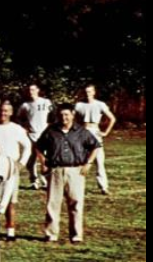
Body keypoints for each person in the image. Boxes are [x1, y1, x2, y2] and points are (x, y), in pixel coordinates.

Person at [34, 103, 102, 245]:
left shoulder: (81, 131)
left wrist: (88, 164)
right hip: (56, 170)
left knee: (76, 203)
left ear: (72, 114)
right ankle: (51, 234)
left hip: (75, 171)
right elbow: (38, 146)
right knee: (53, 203)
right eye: (61, 114)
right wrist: (43, 162)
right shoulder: (51, 131)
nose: (63, 117)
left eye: (66, 114)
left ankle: (76, 235)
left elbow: (95, 146)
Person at [0, 100, 32, 240]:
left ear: (11, 112)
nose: (3, 113)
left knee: (11, 201)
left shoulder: (16, 129)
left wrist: (21, 164)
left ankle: (10, 231)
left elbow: (28, 147)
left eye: (6, 111)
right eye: (1, 110)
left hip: (11, 170)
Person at [74, 84, 115, 195]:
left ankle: (104, 187)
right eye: (86, 92)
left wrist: (105, 132)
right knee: (81, 160)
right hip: (83, 132)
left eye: (90, 91)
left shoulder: (100, 104)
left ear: (94, 92)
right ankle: (76, 186)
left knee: (99, 161)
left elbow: (112, 118)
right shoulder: (79, 105)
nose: (88, 94)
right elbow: (71, 117)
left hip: (95, 132)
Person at [17, 84, 55, 189]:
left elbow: (53, 115)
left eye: (33, 89)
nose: (31, 91)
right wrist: (24, 127)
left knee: (45, 159)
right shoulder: (25, 105)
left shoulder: (46, 102)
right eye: (29, 90)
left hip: (44, 135)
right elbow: (19, 118)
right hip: (31, 135)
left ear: (38, 90)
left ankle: (46, 180)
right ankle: (34, 181)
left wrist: (51, 127)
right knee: (31, 159)